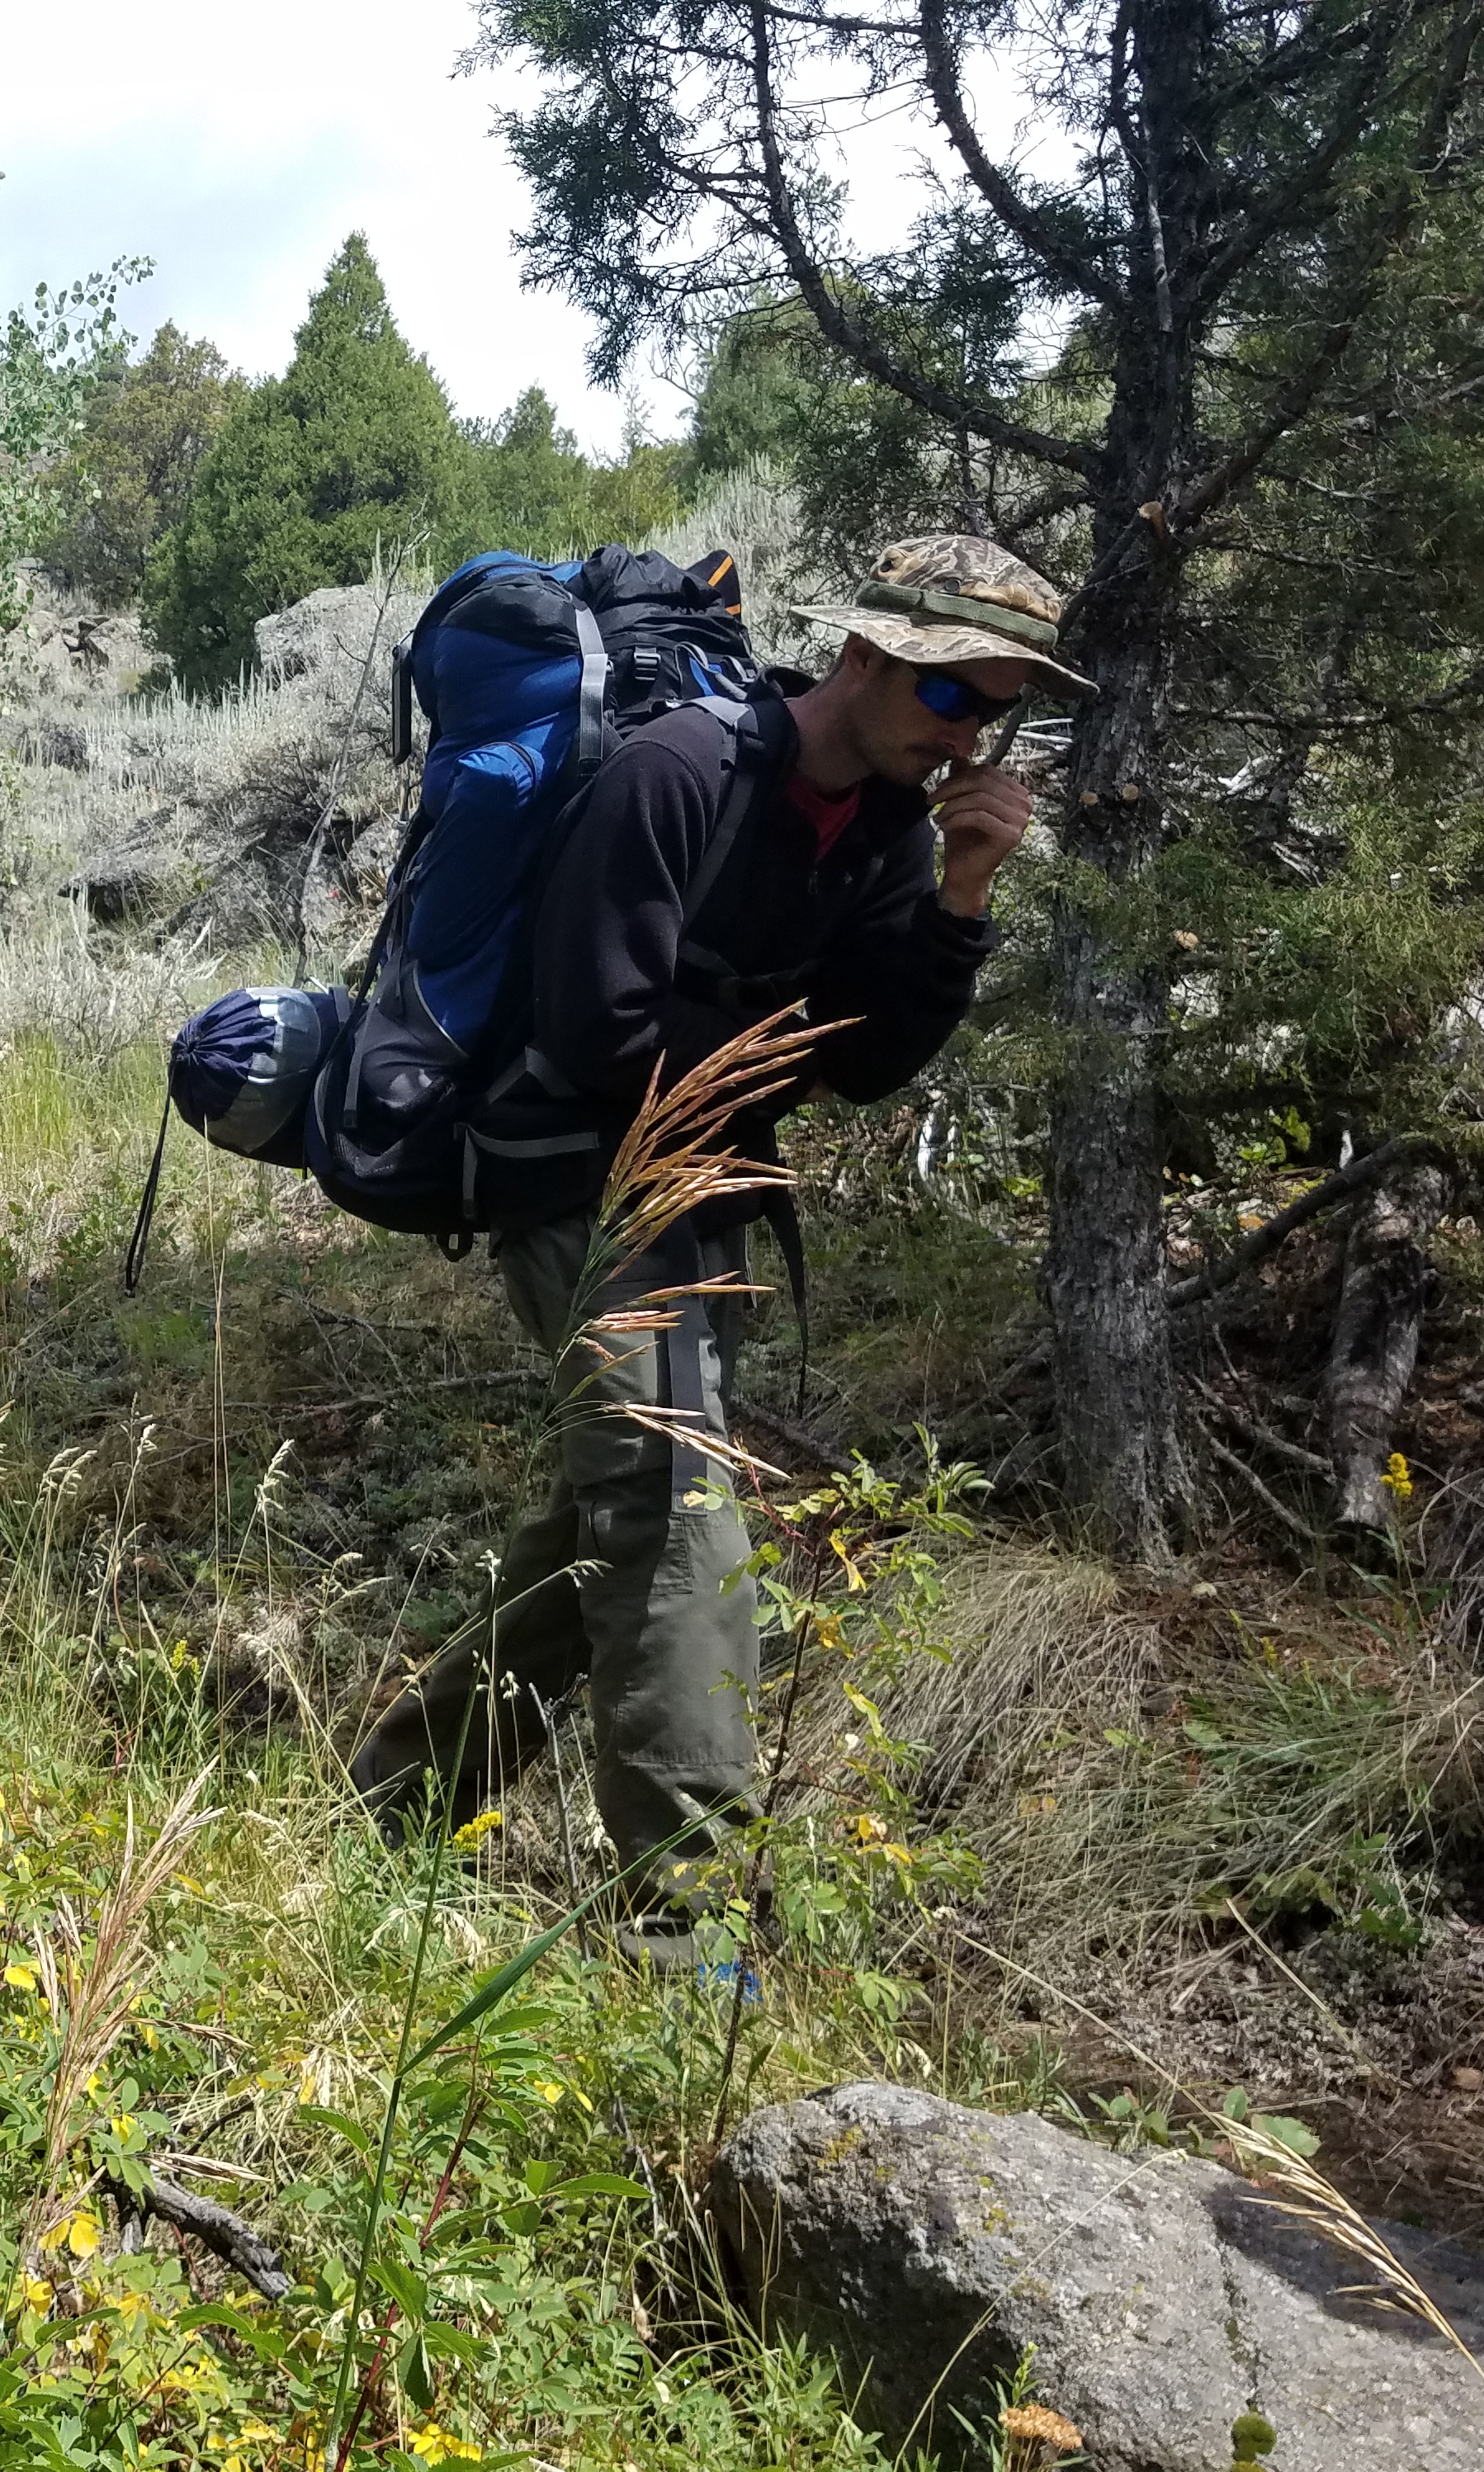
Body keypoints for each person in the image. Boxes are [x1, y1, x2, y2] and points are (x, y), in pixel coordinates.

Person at [343, 534, 1092, 1941]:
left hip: (709, 1195)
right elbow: (593, 1032)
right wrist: (774, 1052)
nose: (967, 736)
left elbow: (868, 1059)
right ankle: (686, 1935)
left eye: (993, 711)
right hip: (577, 1182)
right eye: (950, 697)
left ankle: (391, 1805)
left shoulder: (882, 829)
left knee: (610, 1524)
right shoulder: (677, 773)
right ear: (872, 657)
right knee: (682, 1522)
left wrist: (962, 895)